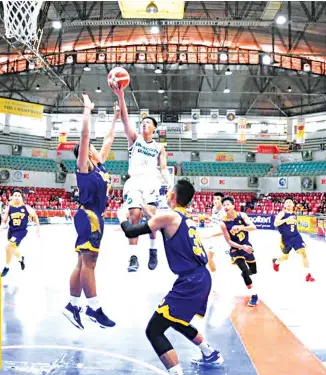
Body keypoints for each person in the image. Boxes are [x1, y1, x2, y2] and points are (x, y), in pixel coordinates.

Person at [117, 179, 224, 373]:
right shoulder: (184, 217)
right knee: (176, 320)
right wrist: (143, 206)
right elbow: (159, 219)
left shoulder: (168, 217)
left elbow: (130, 231)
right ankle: (210, 353)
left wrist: (121, 216)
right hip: (201, 277)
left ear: (173, 196)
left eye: (168, 192)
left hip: (190, 281)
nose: (166, 195)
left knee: (154, 330)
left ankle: (176, 372)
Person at [63, 96, 118, 330]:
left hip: (96, 217)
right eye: (89, 147)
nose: (94, 147)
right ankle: (93, 308)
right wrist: (87, 110)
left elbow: (109, 138)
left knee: (82, 262)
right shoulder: (84, 166)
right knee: (90, 262)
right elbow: (85, 137)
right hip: (89, 217)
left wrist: (116, 115)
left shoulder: (101, 166)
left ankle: (72, 305)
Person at [112, 85, 171, 272]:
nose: (143, 124)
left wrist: (170, 184)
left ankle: (153, 250)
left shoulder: (159, 147)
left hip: (152, 183)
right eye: (142, 122)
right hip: (134, 181)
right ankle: (133, 256)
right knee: (134, 216)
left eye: (147, 123)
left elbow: (163, 168)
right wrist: (121, 95)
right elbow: (125, 118)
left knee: (151, 218)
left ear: (154, 128)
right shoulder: (134, 139)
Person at [220, 197, 258, 307]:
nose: (226, 207)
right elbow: (229, 241)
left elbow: (253, 227)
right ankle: (254, 295)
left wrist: (241, 227)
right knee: (245, 270)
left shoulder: (242, 216)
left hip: (247, 247)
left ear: (233, 205)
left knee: (253, 271)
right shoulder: (223, 223)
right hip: (236, 249)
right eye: (224, 205)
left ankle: (245, 275)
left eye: (227, 204)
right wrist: (241, 247)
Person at [273, 197, 315, 282]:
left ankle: (308, 275)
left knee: (304, 254)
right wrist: (286, 220)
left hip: (296, 237)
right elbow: (275, 223)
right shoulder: (282, 213)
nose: (288, 203)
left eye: (290, 202)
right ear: (284, 205)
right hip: (286, 238)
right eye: (286, 202)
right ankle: (276, 262)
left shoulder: (294, 214)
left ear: (293, 204)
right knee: (285, 257)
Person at [1, 189, 40, 277]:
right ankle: (20, 258)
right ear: (12, 197)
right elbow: (4, 220)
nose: (17, 197)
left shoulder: (26, 207)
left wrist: (38, 229)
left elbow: (35, 217)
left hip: (21, 231)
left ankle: (6, 267)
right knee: (11, 249)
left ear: (22, 198)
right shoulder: (9, 207)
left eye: (19, 195)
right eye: (15, 195)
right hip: (11, 231)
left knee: (8, 247)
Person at [200, 192, 226, 273]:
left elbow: (225, 230)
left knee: (209, 257)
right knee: (208, 257)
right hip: (212, 236)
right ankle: (213, 273)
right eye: (214, 199)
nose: (215, 200)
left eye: (218, 199)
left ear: (222, 201)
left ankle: (214, 274)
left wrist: (211, 235)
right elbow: (215, 221)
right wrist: (209, 218)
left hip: (219, 238)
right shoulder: (214, 208)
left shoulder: (225, 212)